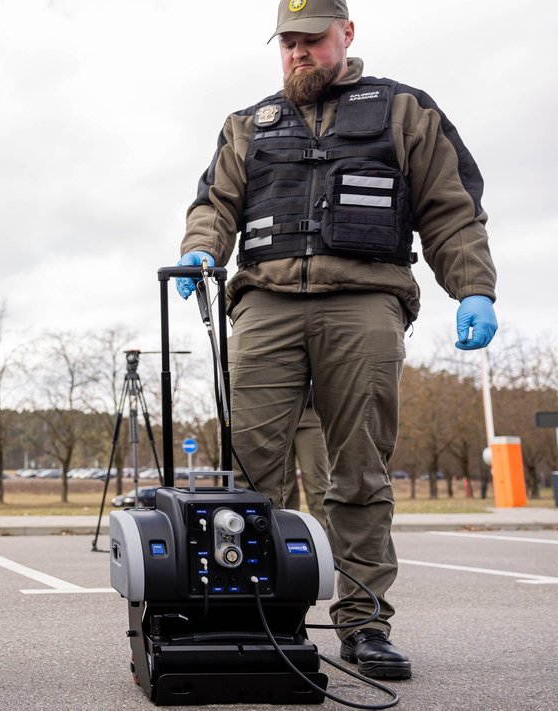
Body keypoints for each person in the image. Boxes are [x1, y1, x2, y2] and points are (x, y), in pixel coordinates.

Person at [175, 0, 497, 680]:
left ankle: (364, 622)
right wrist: (202, 250)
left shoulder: (405, 110)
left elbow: (451, 205)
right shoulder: (248, 124)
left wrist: (473, 286)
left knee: (358, 468)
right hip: (265, 305)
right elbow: (215, 203)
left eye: (311, 39)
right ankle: (261, 611)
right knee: (252, 473)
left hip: (365, 302)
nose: (298, 52)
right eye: (287, 42)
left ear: (346, 35)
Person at [283, 392, 328, 530]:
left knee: (316, 483)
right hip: (281, 417)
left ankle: (326, 538)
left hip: (311, 417)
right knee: (284, 486)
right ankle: (287, 533)